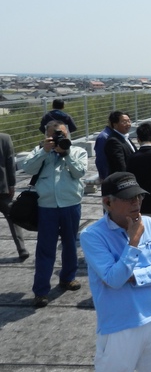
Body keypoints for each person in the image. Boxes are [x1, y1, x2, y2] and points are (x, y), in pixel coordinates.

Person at [80, 172, 151, 372]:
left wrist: (135, 275)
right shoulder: (92, 235)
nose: (136, 202)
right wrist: (133, 243)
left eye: (138, 196)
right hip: (119, 327)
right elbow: (114, 279)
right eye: (128, 198)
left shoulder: (148, 223)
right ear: (107, 202)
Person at [22, 121, 87, 307]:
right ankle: (41, 290)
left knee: (70, 244)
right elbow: (28, 169)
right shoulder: (40, 150)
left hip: (71, 204)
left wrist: (65, 154)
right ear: (46, 135)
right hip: (47, 206)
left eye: (62, 135)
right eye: (54, 135)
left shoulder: (76, 151)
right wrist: (44, 151)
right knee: (45, 248)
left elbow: (80, 172)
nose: (59, 138)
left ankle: (68, 278)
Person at [0, 132, 29, 260]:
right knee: (13, 218)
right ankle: (21, 249)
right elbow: (10, 162)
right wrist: (12, 184)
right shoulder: (5, 138)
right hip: (3, 187)